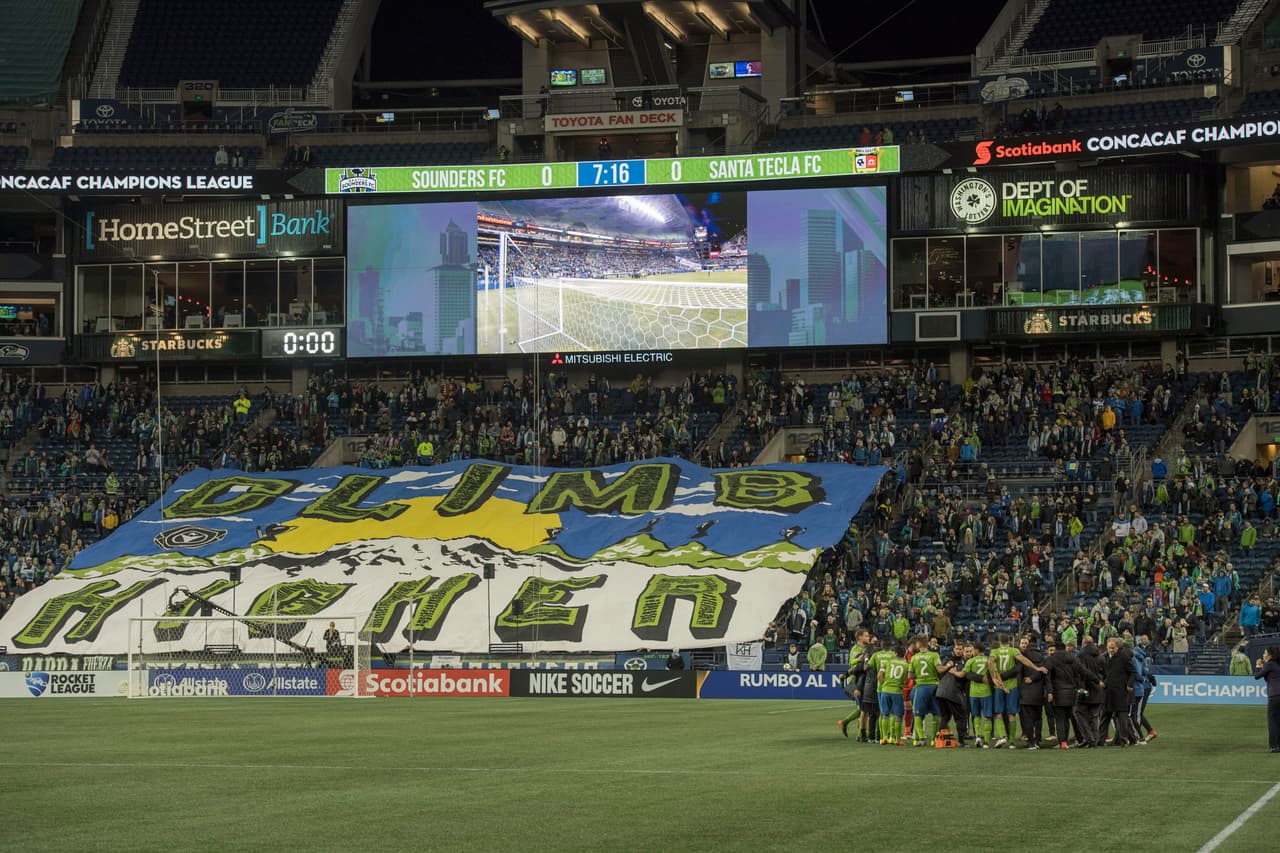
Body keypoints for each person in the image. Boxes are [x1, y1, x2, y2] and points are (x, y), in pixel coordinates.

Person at [908, 636, 949, 747]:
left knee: (917, 714)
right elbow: (939, 669)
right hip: (934, 687)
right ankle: (934, 739)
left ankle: (921, 738)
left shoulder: (914, 658)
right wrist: (948, 665)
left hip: (921, 687)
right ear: (927, 644)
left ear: (918, 645)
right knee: (936, 713)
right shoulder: (934, 655)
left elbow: (910, 675)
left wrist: (919, 676)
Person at [1045, 637, 1085, 749]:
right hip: (1071, 692)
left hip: (1058, 692)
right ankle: (1066, 742)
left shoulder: (1052, 659)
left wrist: (1050, 692)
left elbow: (1048, 677)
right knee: (1067, 718)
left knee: (1060, 718)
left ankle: (1062, 742)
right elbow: (1079, 674)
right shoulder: (1072, 658)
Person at [1100, 637, 1138, 747]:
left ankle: (1124, 740)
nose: (1111, 650)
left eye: (1113, 648)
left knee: (1122, 716)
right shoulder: (1104, 657)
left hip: (1121, 691)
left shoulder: (1124, 657)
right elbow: (1102, 672)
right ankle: (1100, 740)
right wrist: (1102, 681)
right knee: (1105, 716)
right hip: (1108, 691)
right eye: (1109, 648)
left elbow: (1133, 672)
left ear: (1117, 647)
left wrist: (1129, 684)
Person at [962, 641, 994, 747]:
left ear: (976, 650)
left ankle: (978, 737)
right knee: (987, 716)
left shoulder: (971, 661)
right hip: (986, 692)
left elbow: (965, 674)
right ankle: (986, 742)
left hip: (973, 692)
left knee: (976, 715)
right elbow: (994, 674)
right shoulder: (988, 660)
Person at [877, 642, 909, 745]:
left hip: (885, 690)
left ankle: (884, 738)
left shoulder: (887, 662)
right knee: (898, 716)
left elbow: (879, 675)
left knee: (885, 714)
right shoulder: (906, 665)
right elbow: (907, 679)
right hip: (897, 692)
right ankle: (897, 739)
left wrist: (884, 684)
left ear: (895, 653)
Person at [1253, 647, 1280, 752]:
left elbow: (1257, 676)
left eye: (1264, 653)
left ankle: (1274, 746)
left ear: (1269, 655)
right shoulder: (1276, 665)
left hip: (1274, 695)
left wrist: (1258, 666)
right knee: (1278, 721)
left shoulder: (1270, 664)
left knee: (1272, 721)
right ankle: (1278, 745)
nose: (1263, 655)